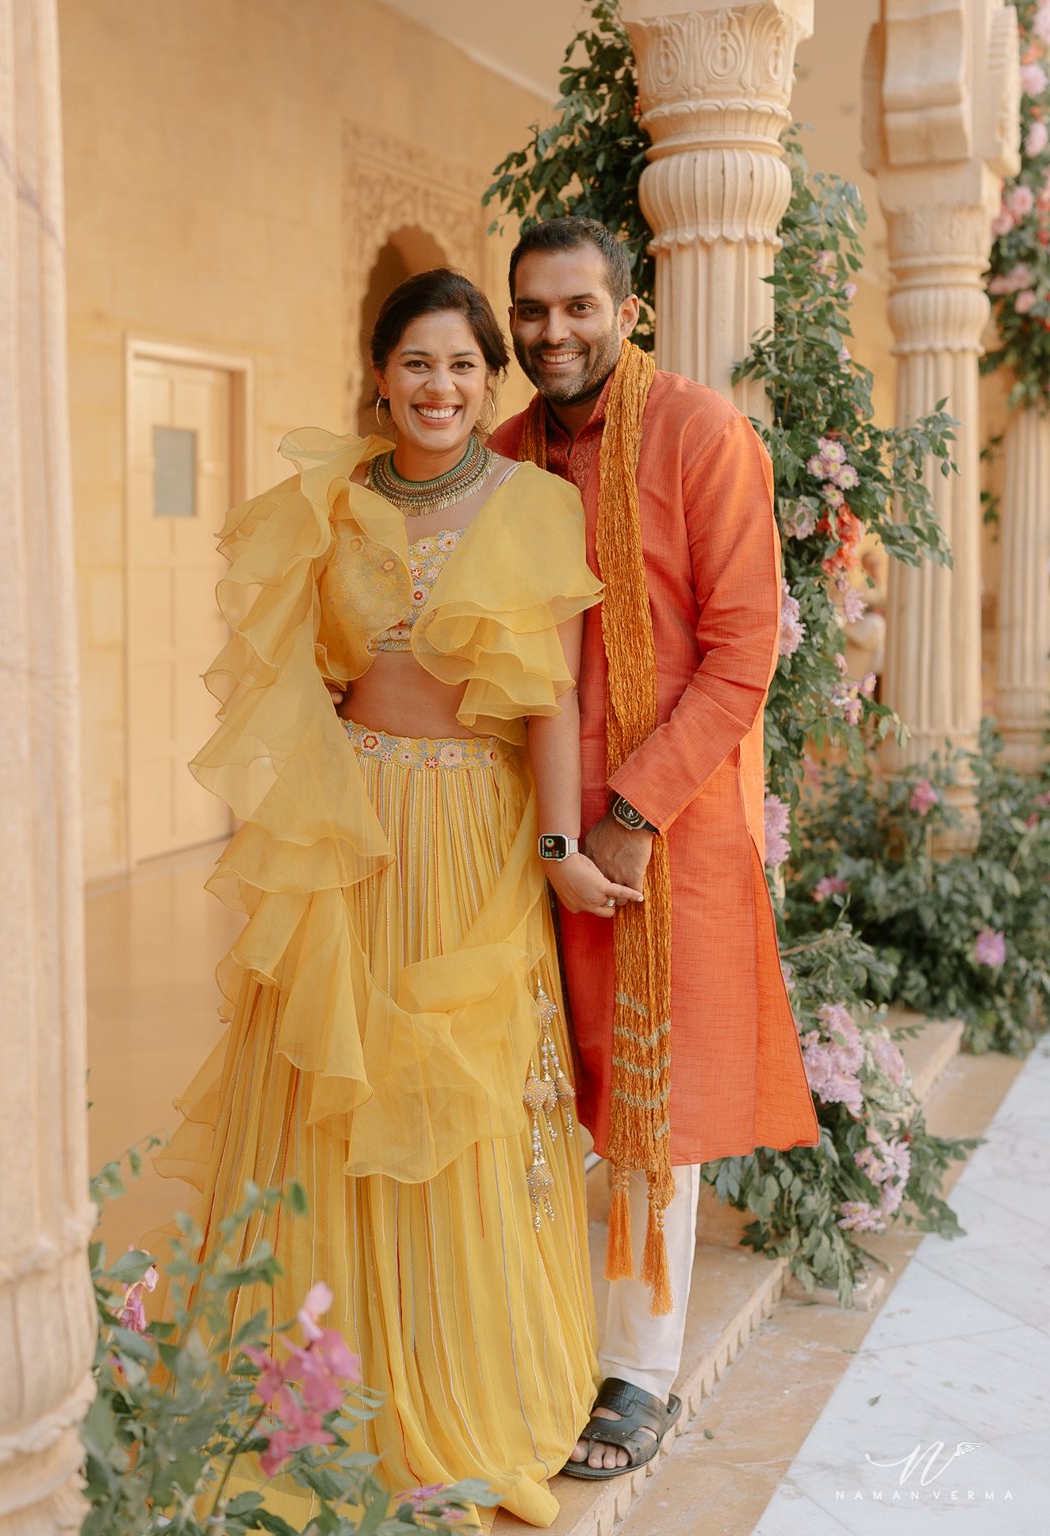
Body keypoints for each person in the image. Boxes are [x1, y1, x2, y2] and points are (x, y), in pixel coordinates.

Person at [159, 267, 626, 1525]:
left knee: (458, 1109)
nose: (439, 386)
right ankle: (314, 1381)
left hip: (470, 841)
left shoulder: (531, 503)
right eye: (416, 363)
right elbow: (299, 681)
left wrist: (554, 846)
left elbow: (551, 701)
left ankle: (455, 1384)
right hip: (351, 834)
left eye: (464, 365)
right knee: (329, 1092)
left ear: (491, 382)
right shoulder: (333, 500)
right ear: (379, 374)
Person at [491, 218, 819, 1480]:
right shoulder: (507, 453)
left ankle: (636, 1372)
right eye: (531, 310)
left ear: (628, 311)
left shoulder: (697, 434)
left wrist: (626, 817)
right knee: (528, 1080)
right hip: (529, 818)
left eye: (577, 307)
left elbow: (743, 651)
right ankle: (522, 1333)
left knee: (644, 1103)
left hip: (661, 839)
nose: (551, 332)